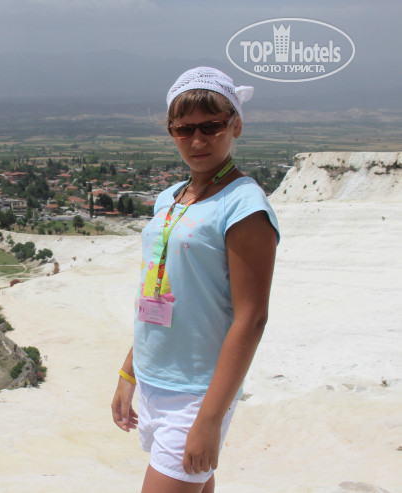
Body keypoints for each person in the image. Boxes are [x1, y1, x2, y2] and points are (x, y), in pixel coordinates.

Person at [111, 67, 280, 493]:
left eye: (211, 126)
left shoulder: (244, 206)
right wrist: (129, 374)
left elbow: (252, 318)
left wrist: (209, 419)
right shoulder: (169, 199)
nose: (197, 141)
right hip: (154, 378)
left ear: (235, 125)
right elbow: (156, 291)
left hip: (197, 392)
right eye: (184, 129)